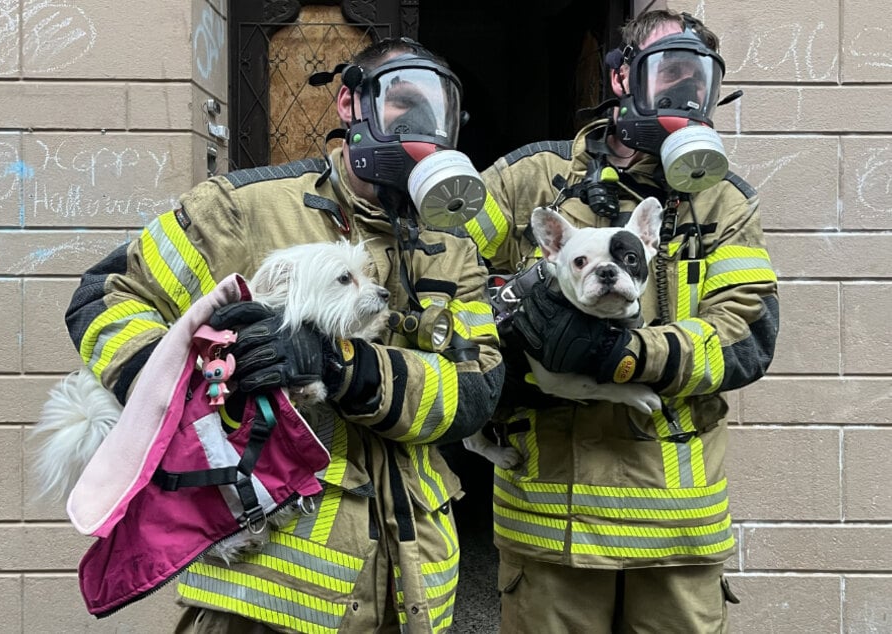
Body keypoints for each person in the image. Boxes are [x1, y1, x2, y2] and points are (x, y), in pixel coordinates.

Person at [64, 37, 503, 634]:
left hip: (414, 588)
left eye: (438, 110)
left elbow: (472, 394)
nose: (422, 123)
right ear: (351, 104)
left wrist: (341, 365)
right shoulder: (245, 208)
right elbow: (107, 296)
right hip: (264, 590)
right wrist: (192, 382)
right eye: (404, 101)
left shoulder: (453, 250)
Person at [465, 10, 779, 633]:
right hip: (550, 526)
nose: (683, 93)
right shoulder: (534, 180)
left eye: (698, 80)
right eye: (668, 73)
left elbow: (745, 336)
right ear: (621, 79)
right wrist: (497, 359)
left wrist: (625, 355)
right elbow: (441, 269)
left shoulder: (721, 203)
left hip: (674, 533)